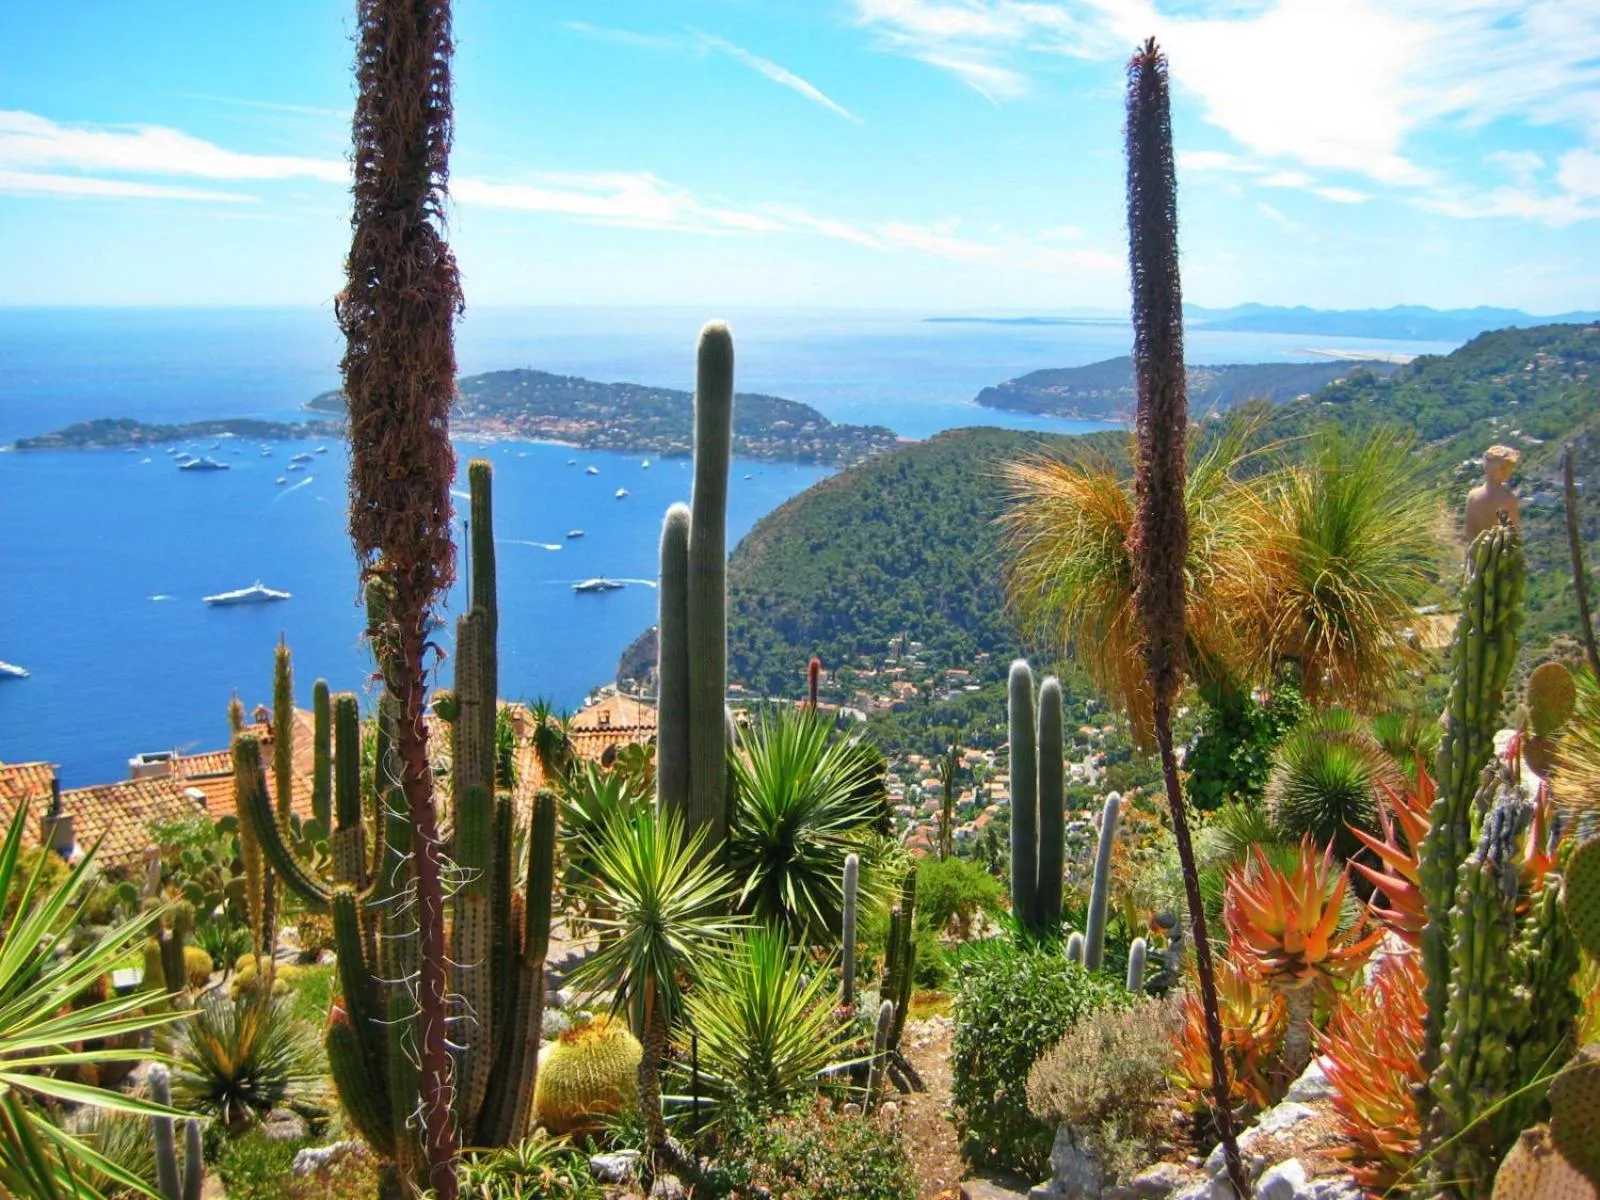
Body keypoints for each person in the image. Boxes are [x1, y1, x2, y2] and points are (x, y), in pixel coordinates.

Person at [1465, 444, 1521, 541]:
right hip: (1499, 554)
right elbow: (1512, 534)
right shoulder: (1508, 499)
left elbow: (1469, 531)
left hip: (1476, 552)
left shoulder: (1472, 496)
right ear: (1505, 471)